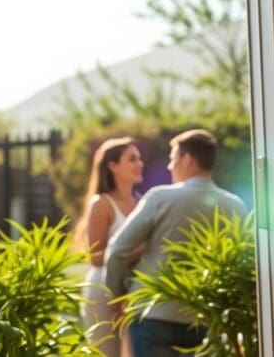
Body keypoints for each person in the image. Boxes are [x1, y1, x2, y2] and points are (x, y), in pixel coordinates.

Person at [105, 128, 247, 357]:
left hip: (152, 315)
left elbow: (117, 250)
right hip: (203, 318)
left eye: (173, 159)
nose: (170, 167)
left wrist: (115, 296)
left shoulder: (160, 198)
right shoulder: (235, 206)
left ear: (187, 159)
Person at [75, 136, 144, 357]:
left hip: (132, 290)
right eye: (132, 159)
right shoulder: (102, 204)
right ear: (113, 166)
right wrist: (140, 250)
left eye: (139, 158)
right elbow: (95, 257)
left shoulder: (142, 202)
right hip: (103, 291)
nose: (139, 164)